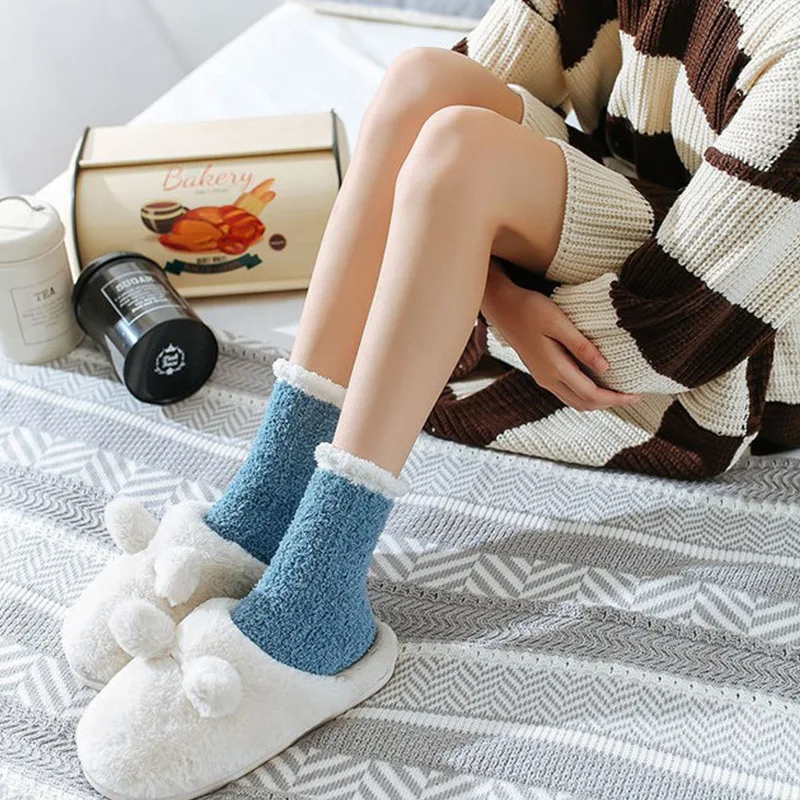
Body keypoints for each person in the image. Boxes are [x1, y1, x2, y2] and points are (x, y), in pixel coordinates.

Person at [67, 2, 800, 798]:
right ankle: (266, 509)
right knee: (425, 86)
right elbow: (461, 99)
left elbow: (669, 337)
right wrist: (494, 290)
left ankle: (319, 595)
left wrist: (461, 254)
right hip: (615, 251)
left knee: (458, 158)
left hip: (723, 357)